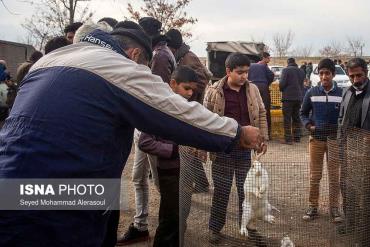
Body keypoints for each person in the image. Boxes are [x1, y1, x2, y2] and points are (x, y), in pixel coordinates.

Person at [0, 25, 264, 247]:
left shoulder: (49, 61)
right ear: (135, 53)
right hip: (59, 196)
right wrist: (236, 132)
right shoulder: (116, 67)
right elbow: (176, 113)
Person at [117, 18, 175, 245]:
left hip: (150, 126)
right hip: (144, 125)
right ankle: (141, 225)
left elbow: (154, 93)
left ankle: (171, 223)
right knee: (138, 177)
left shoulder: (159, 55)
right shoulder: (160, 52)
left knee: (162, 182)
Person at [204, 52, 268, 245]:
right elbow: (204, 119)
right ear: (228, 71)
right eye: (240, 72)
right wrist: (204, 145)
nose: (244, 76)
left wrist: (261, 138)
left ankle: (248, 228)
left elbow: (262, 113)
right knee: (222, 192)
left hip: (244, 151)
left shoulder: (253, 90)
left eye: (247, 72)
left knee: (246, 192)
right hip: (223, 150)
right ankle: (215, 229)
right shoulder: (214, 91)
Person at [139, 66, 201, 247]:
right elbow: (145, 142)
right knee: (171, 217)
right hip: (169, 172)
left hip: (186, 170)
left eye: (192, 90)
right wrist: (173, 150)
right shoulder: (159, 108)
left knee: (181, 213)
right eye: (186, 88)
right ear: (172, 83)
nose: (190, 93)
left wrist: (198, 147)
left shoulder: (188, 108)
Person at [165, 28, 210, 193]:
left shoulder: (188, 58)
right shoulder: (182, 56)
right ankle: (201, 182)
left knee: (189, 147)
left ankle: (200, 183)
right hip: (187, 105)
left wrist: (189, 95)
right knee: (188, 147)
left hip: (191, 107)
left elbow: (203, 79)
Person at [300, 58, 343, 223]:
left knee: (334, 176)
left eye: (328, 73)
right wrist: (308, 126)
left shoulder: (341, 94)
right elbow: (303, 113)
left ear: (333, 74)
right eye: (322, 73)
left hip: (334, 141)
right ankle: (312, 207)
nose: (324, 76)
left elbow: (344, 116)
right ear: (318, 74)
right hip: (316, 140)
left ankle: (335, 209)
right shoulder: (311, 92)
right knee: (315, 176)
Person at [337, 58, 370, 237]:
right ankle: (350, 223)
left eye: (359, 75)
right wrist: (340, 144)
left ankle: (365, 228)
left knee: (365, 192)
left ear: (366, 72)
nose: (356, 80)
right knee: (348, 188)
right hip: (348, 150)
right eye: (352, 76)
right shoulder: (347, 92)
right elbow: (341, 119)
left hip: (367, 153)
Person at [248, 52, 274, 139]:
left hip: (251, 87)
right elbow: (271, 75)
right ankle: (267, 134)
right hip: (263, 88)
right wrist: (266, 83)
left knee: (251, 110)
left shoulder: (249, 66)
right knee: (266, 110)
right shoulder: (263, 66)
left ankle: (251, 134)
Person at [279, 57, 305, 144]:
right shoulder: (301, 71)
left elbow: (282, 84)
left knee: (287, 119)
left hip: (288, 98)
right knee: (296, 118)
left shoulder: (286, 70)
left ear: (288, 62)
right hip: (298, 97)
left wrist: (281, 89)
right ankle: (297, 137)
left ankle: (288, 139)